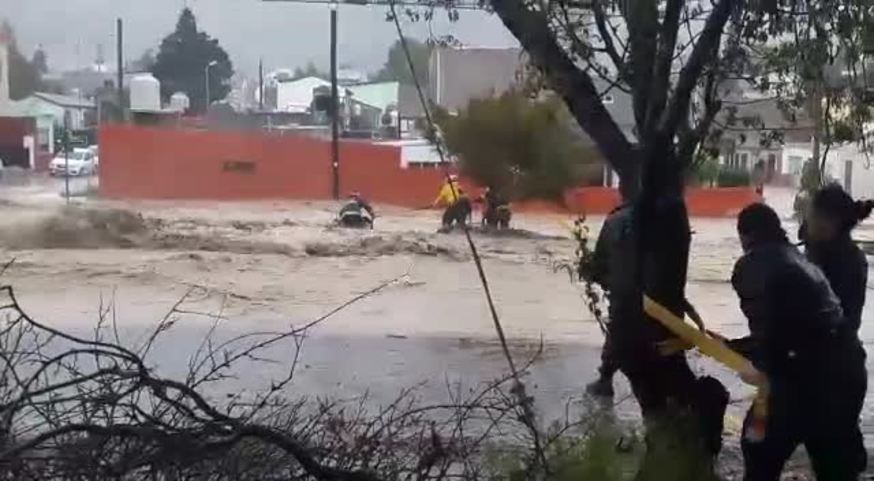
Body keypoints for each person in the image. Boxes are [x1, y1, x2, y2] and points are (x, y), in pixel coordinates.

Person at [730, 203, 867, 481]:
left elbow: (772, 330)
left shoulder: (750, 265)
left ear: (745, 236)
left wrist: (757, 363)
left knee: (757, 449)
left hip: (802, 377)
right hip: (847, 370)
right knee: (836, 467)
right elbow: (806, 322)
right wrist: (743, 347)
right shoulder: (802, 259)